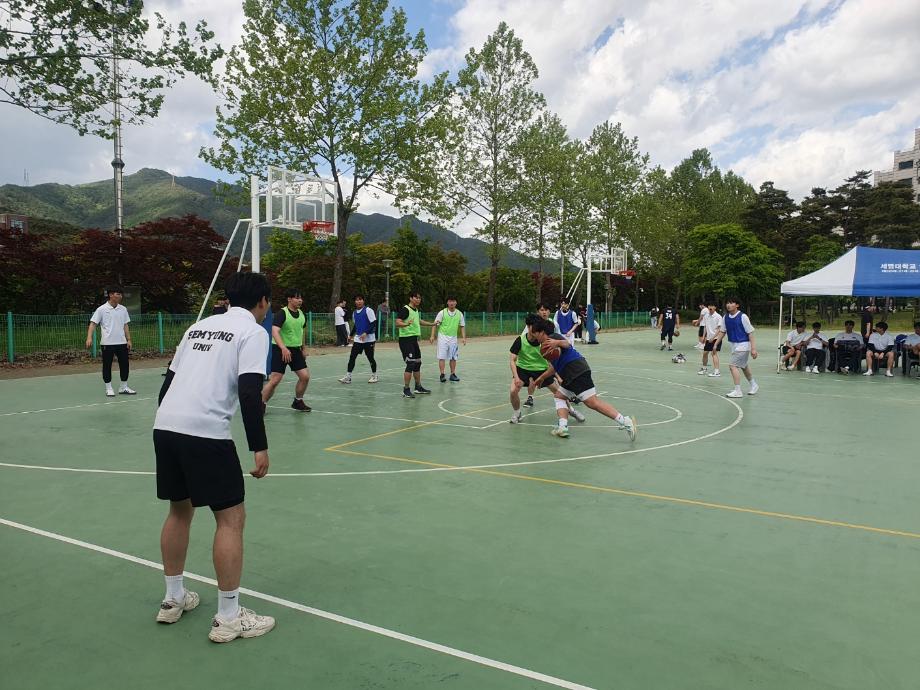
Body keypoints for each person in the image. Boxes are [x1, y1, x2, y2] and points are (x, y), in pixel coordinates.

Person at [153, 271, 275, 643]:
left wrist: (172, 424)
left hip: (166, 425)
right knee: (231, 519)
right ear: (263, 302)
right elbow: (250, 393)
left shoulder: (198, 327)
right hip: (205, 432)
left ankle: (173, 598)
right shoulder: (253, 332)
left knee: (179, 510)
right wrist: (259, 446)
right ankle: (229, 617)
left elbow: (167, 384)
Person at [529, 318, 636, 440]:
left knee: (592, 402)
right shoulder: (544, 347)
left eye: (534, 333)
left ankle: (625, 421)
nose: (534, 337)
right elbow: (554, 367)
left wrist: (557, 343)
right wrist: (541, 378)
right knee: (559, 396)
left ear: (541, 332)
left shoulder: (552, 338)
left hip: (576, 370)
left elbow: (567, 344)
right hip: (568, 373)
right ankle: (563, 427)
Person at [508, 314, 585, 425]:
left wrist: (557, 376)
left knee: (559, 392)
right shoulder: (520, 340)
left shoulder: (545, 340)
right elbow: (512, 360)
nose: (536, 330)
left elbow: (552, 360)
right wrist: (516, 377)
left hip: (542, 368)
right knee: (513, 391)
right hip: (523, 368)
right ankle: (517, 413)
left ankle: (571, 411)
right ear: (528, 327)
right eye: (533, 326)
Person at [262, 288, 311, 412]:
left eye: (301, 298)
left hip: (295, 350)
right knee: (275, 380)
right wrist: (283, 348)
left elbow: (302, 331)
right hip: (280, 349)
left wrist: (303, 348)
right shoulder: (282, 313)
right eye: (297, 298)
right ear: (289, 299)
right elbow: (274, 331)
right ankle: (261, 404)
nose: (300, 300)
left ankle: (298, 401)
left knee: (305, 376)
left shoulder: (302, 314)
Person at [86, 286, 136, 397]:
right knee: (107, 366)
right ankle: (108, 388)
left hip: (122, 343)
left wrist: (128, 339)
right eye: (118, 294)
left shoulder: (123, 309)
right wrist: (89, 337)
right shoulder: (101, 309)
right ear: (111, 295)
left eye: (121, 294)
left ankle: (123, 387)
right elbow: (93, 324)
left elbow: (125, 325)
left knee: (125, 365)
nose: (120, 296)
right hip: (107, 344)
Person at [395, 291, 436, 398]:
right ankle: (406, 390)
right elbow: (397, 322)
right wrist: (406, 324)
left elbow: (419, 321)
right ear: (410, 298)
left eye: (419, 298)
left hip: (413, 340)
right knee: (410, 364)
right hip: (405, 340)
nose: (418, 299)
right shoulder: (405, 309)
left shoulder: (416, 310)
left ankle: (418, 387)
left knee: (417, 363)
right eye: (416, 297)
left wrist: (432, 324)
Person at [718, 297, 758, 398]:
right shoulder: (725, 317)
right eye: (727, 303)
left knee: (732, 366)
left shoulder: (743, 316)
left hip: (743, 345)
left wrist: (753, 349)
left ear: (737, 305)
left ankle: (738, 391)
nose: (728, 305)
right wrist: (715, 344)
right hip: (734, 345)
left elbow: (750, 333)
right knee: (744, 366)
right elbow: (722, 331)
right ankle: (754, 385)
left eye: (731, 303)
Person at [340, 295, 378, 384]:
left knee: (370, 357)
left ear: (363, 301)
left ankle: (374, 375)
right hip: (358, 339)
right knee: (352, 357)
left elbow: (373, 323)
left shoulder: (368, 310)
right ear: (355, 302)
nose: (359, 301)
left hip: (369, 339)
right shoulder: (354, 313)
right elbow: (356, 325)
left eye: (360, 299)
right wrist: (351, 335)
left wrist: (366, 332)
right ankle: (348, 377)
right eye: (357, 300)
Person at [521, 303, 553, 408]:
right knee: (532, 377)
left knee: (558, 373)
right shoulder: (532, 324)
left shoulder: (552, 323)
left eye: (546, 310)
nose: (544, 312)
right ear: (538, 312)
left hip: (549, 351)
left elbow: (557, 336)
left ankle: (568, 395)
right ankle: (530, 397)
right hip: (535, 354)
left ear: (549, 311)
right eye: (541, 310)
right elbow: (524, 338)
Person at [430, 297, 467, 382]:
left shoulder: (459, 314)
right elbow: (435, 324)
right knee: (442, 357)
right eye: (450, 301)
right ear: (447, 302)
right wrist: (432, 336)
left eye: (453, 301)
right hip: (442, 337)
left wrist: (463, 337)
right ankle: (442, 375)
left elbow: (462, 326)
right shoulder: (442, 313)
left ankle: (452, 374)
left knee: (453, 357)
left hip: (453, 338)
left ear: (456, 302)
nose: (452, 303)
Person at [697, 301, 723, 377]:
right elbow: (705, 326)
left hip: (716, 338)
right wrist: (704, 337)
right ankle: (704, 369)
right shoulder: (706, 316)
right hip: (708, 339)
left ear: (715, 307)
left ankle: (717, 372)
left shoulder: (718, 317)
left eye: (712, 306)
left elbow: (719, 329)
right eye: (709, 305)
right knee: (705, 353)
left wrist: (713, 337)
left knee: (713, 353)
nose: (710, 307)